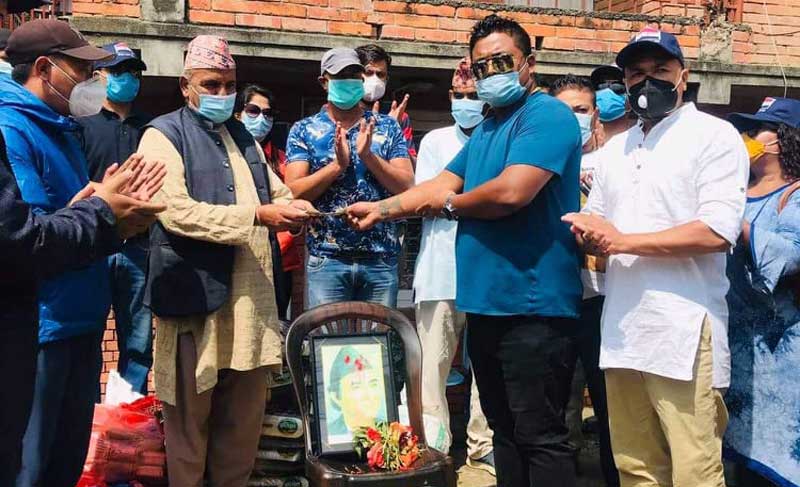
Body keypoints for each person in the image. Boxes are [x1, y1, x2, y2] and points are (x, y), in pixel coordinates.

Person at [346, 14, 584, 486]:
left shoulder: (546, 116)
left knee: (540, 435)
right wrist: (382, 208)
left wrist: (451, 206)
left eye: (502, 61)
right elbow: (440, 183)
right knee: (504, 431)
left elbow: (511, 192)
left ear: (529, 63)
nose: (490, 73)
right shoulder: (490, 126)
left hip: (533, 306)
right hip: (486, 303)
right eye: (481, 67)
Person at [562, 27, 749, 487]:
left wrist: (621, 241)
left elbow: (716, 231)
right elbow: (600, 225)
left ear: (684, 75)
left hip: (684, 330)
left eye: (660, 69)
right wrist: (585, 234)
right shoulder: (616, 150)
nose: (648, 81)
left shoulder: (713, 135)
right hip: (623, 331)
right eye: (636, 73)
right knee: (636, 468)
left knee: (694, 470)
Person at [138, 35, 313, 487]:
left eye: (229, 85)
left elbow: (277, 193)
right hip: (195, 303)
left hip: (249, 309)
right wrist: (256, 216)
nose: (222, 94)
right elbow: (173, 211)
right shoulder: (162, 135)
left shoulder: (242, 136)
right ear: (186, 86)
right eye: (211, 84)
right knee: (188, 430)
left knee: (241, 430)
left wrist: (299, 210)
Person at [0, 19, 165, 487]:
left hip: (82, 319)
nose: (91, 82)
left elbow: (76, 218)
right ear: (44, 68)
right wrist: (102, 209)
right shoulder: (11, 127)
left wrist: (114, 212)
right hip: (42, 329)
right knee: (30, 467)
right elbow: (26, 238)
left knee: (67, 462)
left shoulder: (61, 128)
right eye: (81, 69)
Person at [413, 57, 494, 475]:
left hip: (488, 270)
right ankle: (435, 448)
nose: (467, 102)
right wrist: (477, 201)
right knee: (433, 366)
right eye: (460, 95)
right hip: (440, 271)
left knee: (488, 367)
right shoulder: (436, 141)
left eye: (473, 95)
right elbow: (428, 200)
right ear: (450, 97)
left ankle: (483, 445)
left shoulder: (500, 136)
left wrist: (456, 201)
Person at [285, 47, 412, 309]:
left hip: (380, 257)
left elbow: (407, 186)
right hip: (328, 257)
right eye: (341, 76)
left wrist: (368, 157)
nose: (350, 81)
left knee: (379, 334)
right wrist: (337, 166)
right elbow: (294, 191)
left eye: (355, 76)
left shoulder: (386, 126)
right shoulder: (304, 129)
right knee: (328, 334)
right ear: (324, 82)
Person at [724, 97, 800, 486]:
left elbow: (791, 256)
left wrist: (737, 227)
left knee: (778, 458)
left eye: (757, 130)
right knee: (737, 454)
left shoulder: (795, 194)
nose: (747, 137)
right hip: (734, 348)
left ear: (785, 139)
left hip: (782, 354)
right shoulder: (733, 191)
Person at [551, 74, 619, 487]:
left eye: (581, 110)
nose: (573, 118)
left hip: (602, 302)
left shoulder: (614, 162)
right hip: (555, 300)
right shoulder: (540, 163)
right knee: (554, 407)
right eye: (564, 110)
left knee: (610, 406)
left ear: (594, 115)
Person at [76, 42, 154, 394]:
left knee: (138, 341)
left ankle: (131, 411)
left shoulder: (151, 130)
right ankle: (87, 412)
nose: (129, 78)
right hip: (93, 246)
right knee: (87, 334)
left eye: (134, 72)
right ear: (100, 76)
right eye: (120, 71)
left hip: (138, 247)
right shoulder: (81, 127)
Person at [235, 84, 299, 322]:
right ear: (237, 114)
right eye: (253, 110)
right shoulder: (226, 156)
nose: (261, 118)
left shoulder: (283, 160)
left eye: (268, 113)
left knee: (277, 324)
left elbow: (292, 201)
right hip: (238, 254)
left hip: (279, 257)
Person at [356, 44, 416, 162]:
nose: (374, 79)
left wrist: (393, 129)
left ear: (386, 79)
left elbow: (412, 165)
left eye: (380, 75)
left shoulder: (399, 117)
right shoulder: (338, 111)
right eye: (368, 72)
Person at [325, 345, 388, 437]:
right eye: (357, 386)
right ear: (336, 397)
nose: (369, 395)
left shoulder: (389, 429)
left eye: (373, 384)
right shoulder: (329, 433)